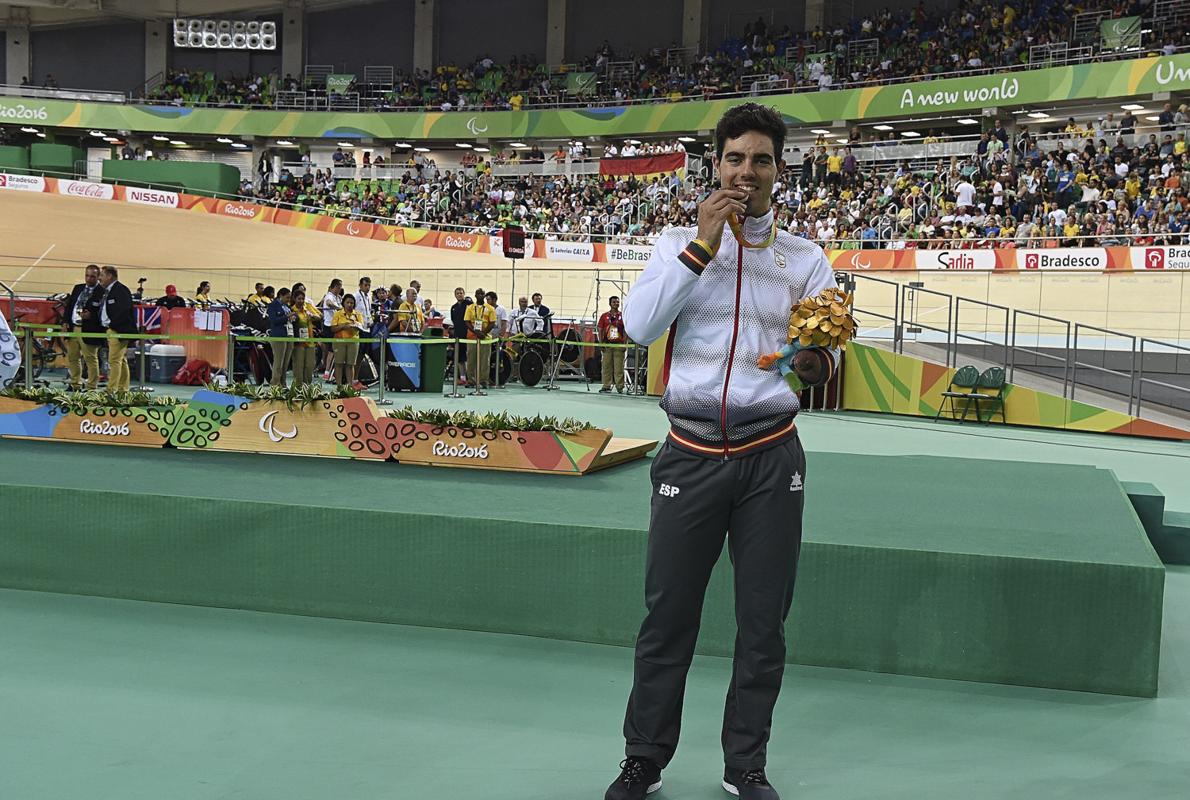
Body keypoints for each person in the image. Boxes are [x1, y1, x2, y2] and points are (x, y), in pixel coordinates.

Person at [605, 103, 838, 800]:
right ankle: (643, 758)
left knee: (763, 624)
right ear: (715, 164)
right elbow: (640, 327)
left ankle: (746, 766)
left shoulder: (805, 259)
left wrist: (811, 359)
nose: (747, 171)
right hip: (689, 454)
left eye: (761, 160)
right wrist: (700, 247)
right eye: (735, 158)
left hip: (772, 459)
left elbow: (820, 362)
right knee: (667, 617)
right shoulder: (676, 241)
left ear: (778, 170)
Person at [87, 266, 135, 394]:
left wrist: (114, 326)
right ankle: (122, 389)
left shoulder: (120, 290)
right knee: (120, 360)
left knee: (114, 361)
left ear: (109, 276)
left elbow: (124, 311)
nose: (99, 278)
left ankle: (111, 389)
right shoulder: (107, 291)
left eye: (102, 275)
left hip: (118, 331)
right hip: (111, 330)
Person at [63, 264, 101, 391]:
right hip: (74, 327)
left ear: (98, 277)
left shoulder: (101, 291)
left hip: (89, 329)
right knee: (73, 357)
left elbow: (103, 312)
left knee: (90, 359)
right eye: (87, 276)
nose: (89, 279)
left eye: (92, 276)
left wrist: (92, 316)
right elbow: (69, 307)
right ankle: (75, 384)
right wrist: (65, 322)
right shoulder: (78, 288)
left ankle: (91, 386)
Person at [463, 293, 497, 389]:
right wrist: (475, 332)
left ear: (484, 296)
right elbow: (466, 321)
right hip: (471, 337)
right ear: (475, 295)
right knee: (471, 360)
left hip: (485, 338)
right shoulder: (470, 307)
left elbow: (492, 322)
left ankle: (483, 381)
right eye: (478, 293)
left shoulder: (490, 308)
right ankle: (471, 381)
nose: (480, 295)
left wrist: (483, 333)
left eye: (482, 293)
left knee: (485, 360)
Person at [330, 293, 364, 387]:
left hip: (353, 342)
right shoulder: (337, 314)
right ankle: (339, 386)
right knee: (339, 364)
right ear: (343, 303)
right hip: (339, 342)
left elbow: (361, 326)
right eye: (348, 302)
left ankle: (350, 386)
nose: (350, 305)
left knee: (350, 365)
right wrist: (344, 326)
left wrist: (355, 325)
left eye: (352, 303)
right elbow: (333, 329)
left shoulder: (358, 315)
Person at [597, 296, 627, 394]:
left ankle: (620, 387)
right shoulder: (604, 316)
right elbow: (600, 329)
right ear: (610, 303)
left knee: (619, 367)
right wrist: (601, 343)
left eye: (617, 302)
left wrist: (624, 343)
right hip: (607, 345)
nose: (616, 304)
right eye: (614, 302)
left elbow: (625, 330)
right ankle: (606, 386)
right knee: (606, 366)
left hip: (619, 345)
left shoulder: (623, 316)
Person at [267, 287, 296, 386]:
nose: (289, 300)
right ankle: (275, 384)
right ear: (280, 296)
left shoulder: (287, 307)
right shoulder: (272, 305)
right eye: (287, 297)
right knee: (278, 363)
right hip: (278, 336)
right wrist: (287, 317)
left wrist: (293, 318)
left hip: (289, 335)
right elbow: (274, 320)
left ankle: (283, 383)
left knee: (285, 363)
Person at [289, 289, 317, 385]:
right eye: (299, 299)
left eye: (303, 299)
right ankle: (298, 387)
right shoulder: (291, 310)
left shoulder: (307, 309)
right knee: (298, 366)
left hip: (310, 342)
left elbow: (320, 316)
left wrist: (313, 316)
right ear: (294, 299)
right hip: (298, 343)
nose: (301, 301)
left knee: (309, 365)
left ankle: (307, 386)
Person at [321, 279, 344, 380]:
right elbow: (329, 303)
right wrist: (338, 308)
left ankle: (330, 371)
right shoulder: (329, 296)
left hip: (336, 325)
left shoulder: (338, 297)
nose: (340, 289)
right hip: (329, 326)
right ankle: (326, 371)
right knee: (330, 350)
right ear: (334, 287)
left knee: (334, 350)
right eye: (339, 287)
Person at [449, 287, 472, 383]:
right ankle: (462, 378)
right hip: (458, 336)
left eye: (461, 293)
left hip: (468, 335)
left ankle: (469, 377)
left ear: (464, 294)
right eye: (457, 293)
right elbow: (454, 321)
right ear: (455, 295)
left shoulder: (469, 305)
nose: (459, 294)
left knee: (468, 357)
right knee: (459, 358)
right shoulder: (453, 307)